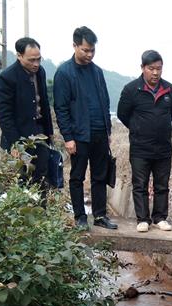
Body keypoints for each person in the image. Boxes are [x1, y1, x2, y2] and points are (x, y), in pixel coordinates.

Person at [53, 26, 117, 231]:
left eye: (92, 50)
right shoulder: (64, 73)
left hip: (99, 133)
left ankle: (100, 215)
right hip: (79, 135)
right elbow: (61, 108)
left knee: (100, 176)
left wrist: (107, 131)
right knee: (77, 176)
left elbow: (105, 102)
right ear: (74, 46)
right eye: (85, 50)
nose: (89, 54)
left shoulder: (97, 72)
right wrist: (68, 137)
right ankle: (80, 216)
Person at [117, 50, 172, 233]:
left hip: (163, 147)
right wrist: (138, 128)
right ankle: (143, 219)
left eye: (159, 68)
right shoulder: (131, 89)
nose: (155, 73)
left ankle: (160, 218)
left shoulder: (169, 89)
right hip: (140, 148)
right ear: (142, 68)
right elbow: (122, 114)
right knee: (140, 184)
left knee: (162, 185)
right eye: (151, 68)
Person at [0, 37, 53, 191]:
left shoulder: (40, 72)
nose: (36, 64)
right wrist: (16, 144)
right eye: (31, 60)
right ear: (19, 56)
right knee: (22, 179)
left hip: (40, 133)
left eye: (38, 59)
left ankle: (41, 205)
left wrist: (50, 133)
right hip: (19, 135)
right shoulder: (7, 78)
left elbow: (44, 104)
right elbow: (4, 116)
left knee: (42, 178)